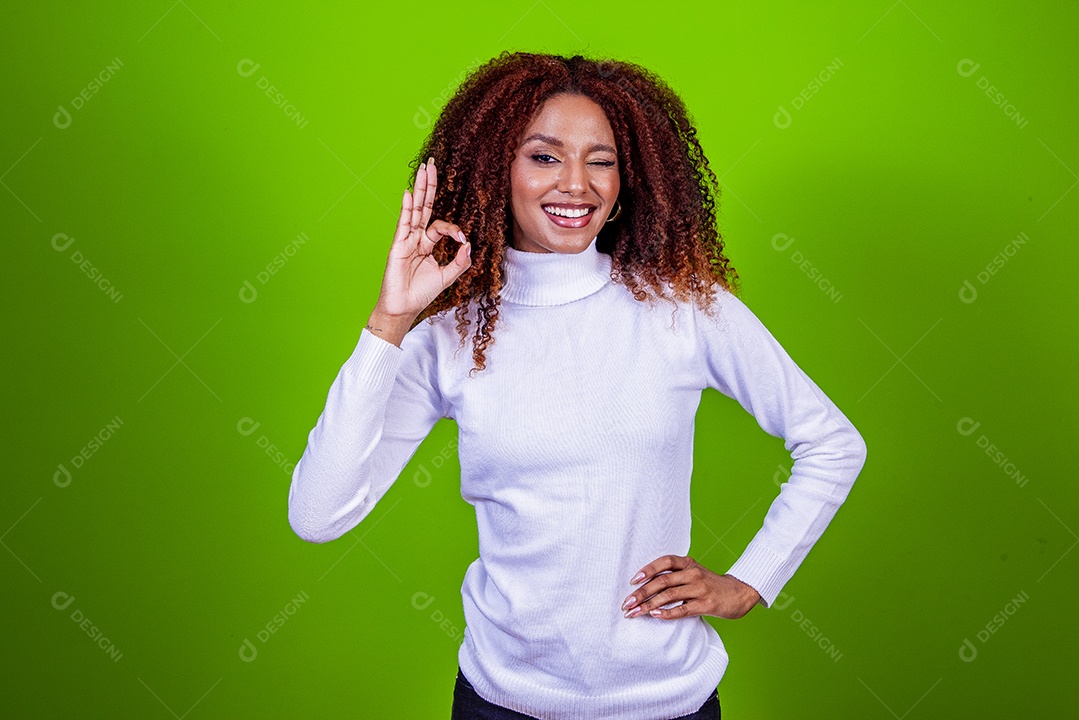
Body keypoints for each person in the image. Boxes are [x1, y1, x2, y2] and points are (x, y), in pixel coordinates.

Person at [287, 51, 867, 720]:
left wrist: (750, 582)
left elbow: (832, 444)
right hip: (502, 705)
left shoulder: (683, 309)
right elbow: (318, 514)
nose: (577, 185)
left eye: (602, 160)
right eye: (543, 157)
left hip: (668, 705)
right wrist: (391, 319)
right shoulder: (449, 338)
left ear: (630, 176)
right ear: (494, 169)